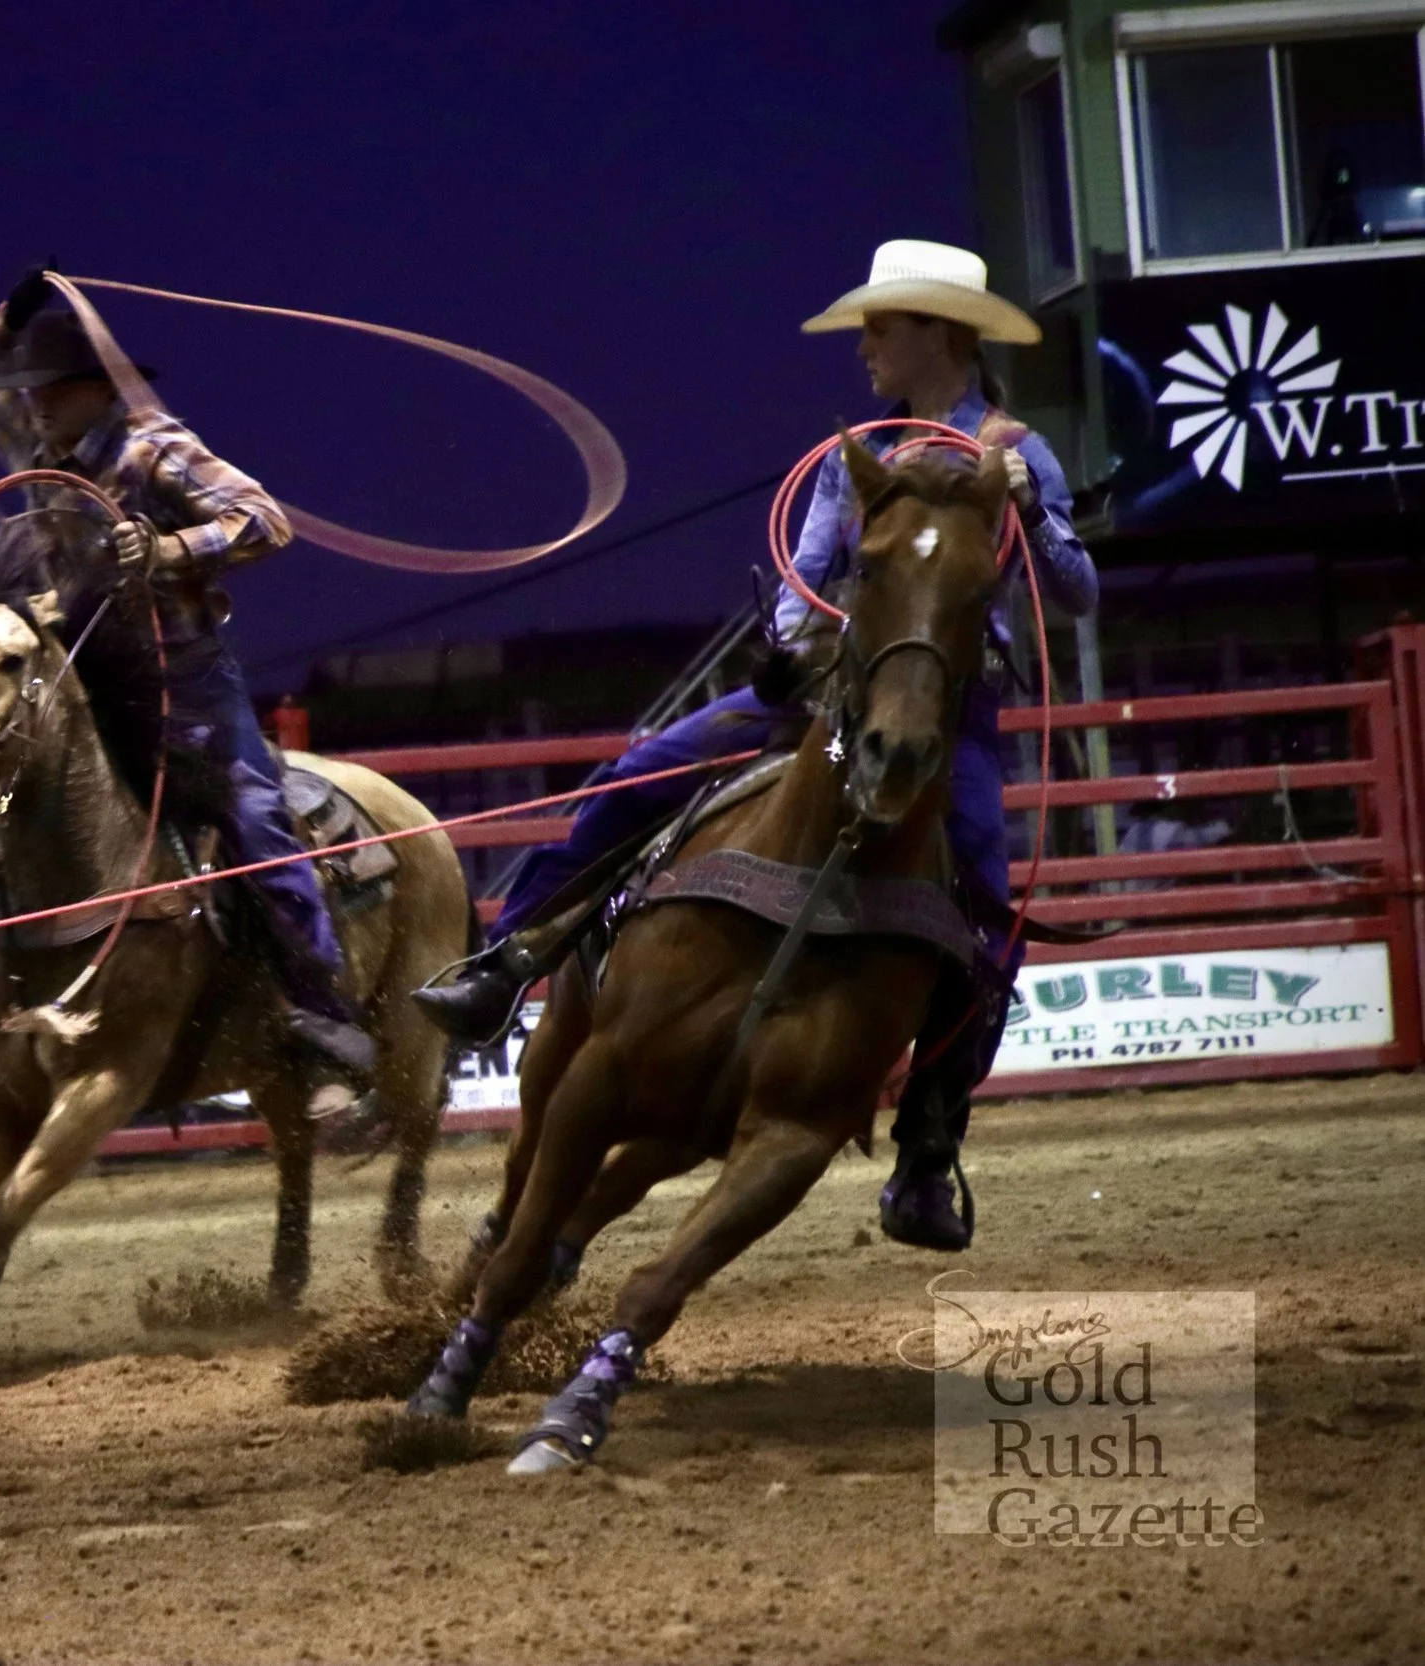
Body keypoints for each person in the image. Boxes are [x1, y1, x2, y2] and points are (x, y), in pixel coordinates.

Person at [413, 239, 1099, 1252]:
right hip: (821, 692)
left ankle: (924, 1144)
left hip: (946, 713)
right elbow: (802, 580)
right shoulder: (847, 457)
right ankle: (510, 956)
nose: (863, 345)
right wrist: (792, 649)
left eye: (880, 325)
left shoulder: (1013, 453)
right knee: (635, 780)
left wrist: (1031, 509)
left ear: (937, 333)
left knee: (988, 914)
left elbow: (1077, 589)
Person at [0, 268, 375, 1150]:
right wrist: (7, 326)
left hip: (186, 678)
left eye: (49, 392)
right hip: (89, 681)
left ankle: (327, 1033)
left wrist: (167, 547)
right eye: (33, 393)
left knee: (256, 822)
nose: (36, 407)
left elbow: (263, 520)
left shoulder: (155, 449)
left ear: (94, 391)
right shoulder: (46, 455)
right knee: (16, 826)